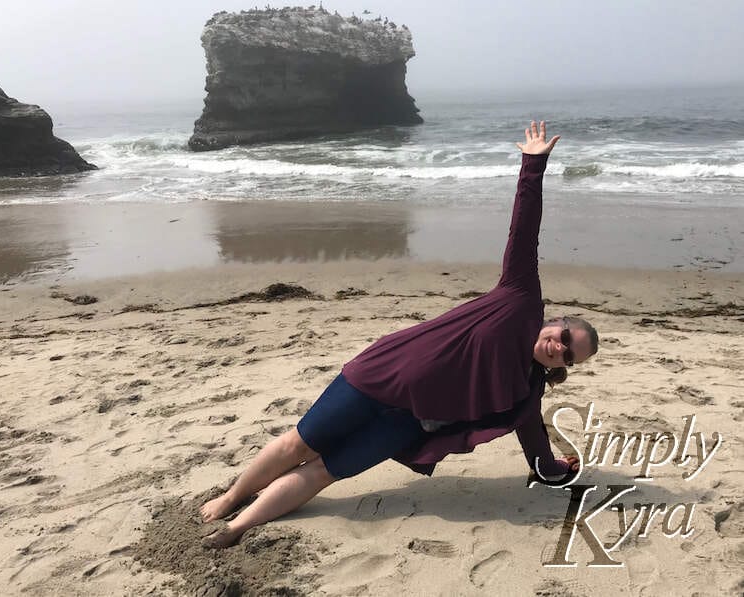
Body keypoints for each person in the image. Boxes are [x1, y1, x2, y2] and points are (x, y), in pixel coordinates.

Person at [200, 121, 599, 549]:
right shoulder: (518, 300)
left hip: (406, 423)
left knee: (323, 472)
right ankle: (232, 497)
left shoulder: (527, 389)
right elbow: (524, 232)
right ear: (554, 321)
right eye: (564, 335)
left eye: (569, 356)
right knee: (298, 444)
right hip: (377, 377)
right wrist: (533, 166)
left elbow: (533, 439)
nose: (560, 348)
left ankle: (237, 528)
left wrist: (552, 471)